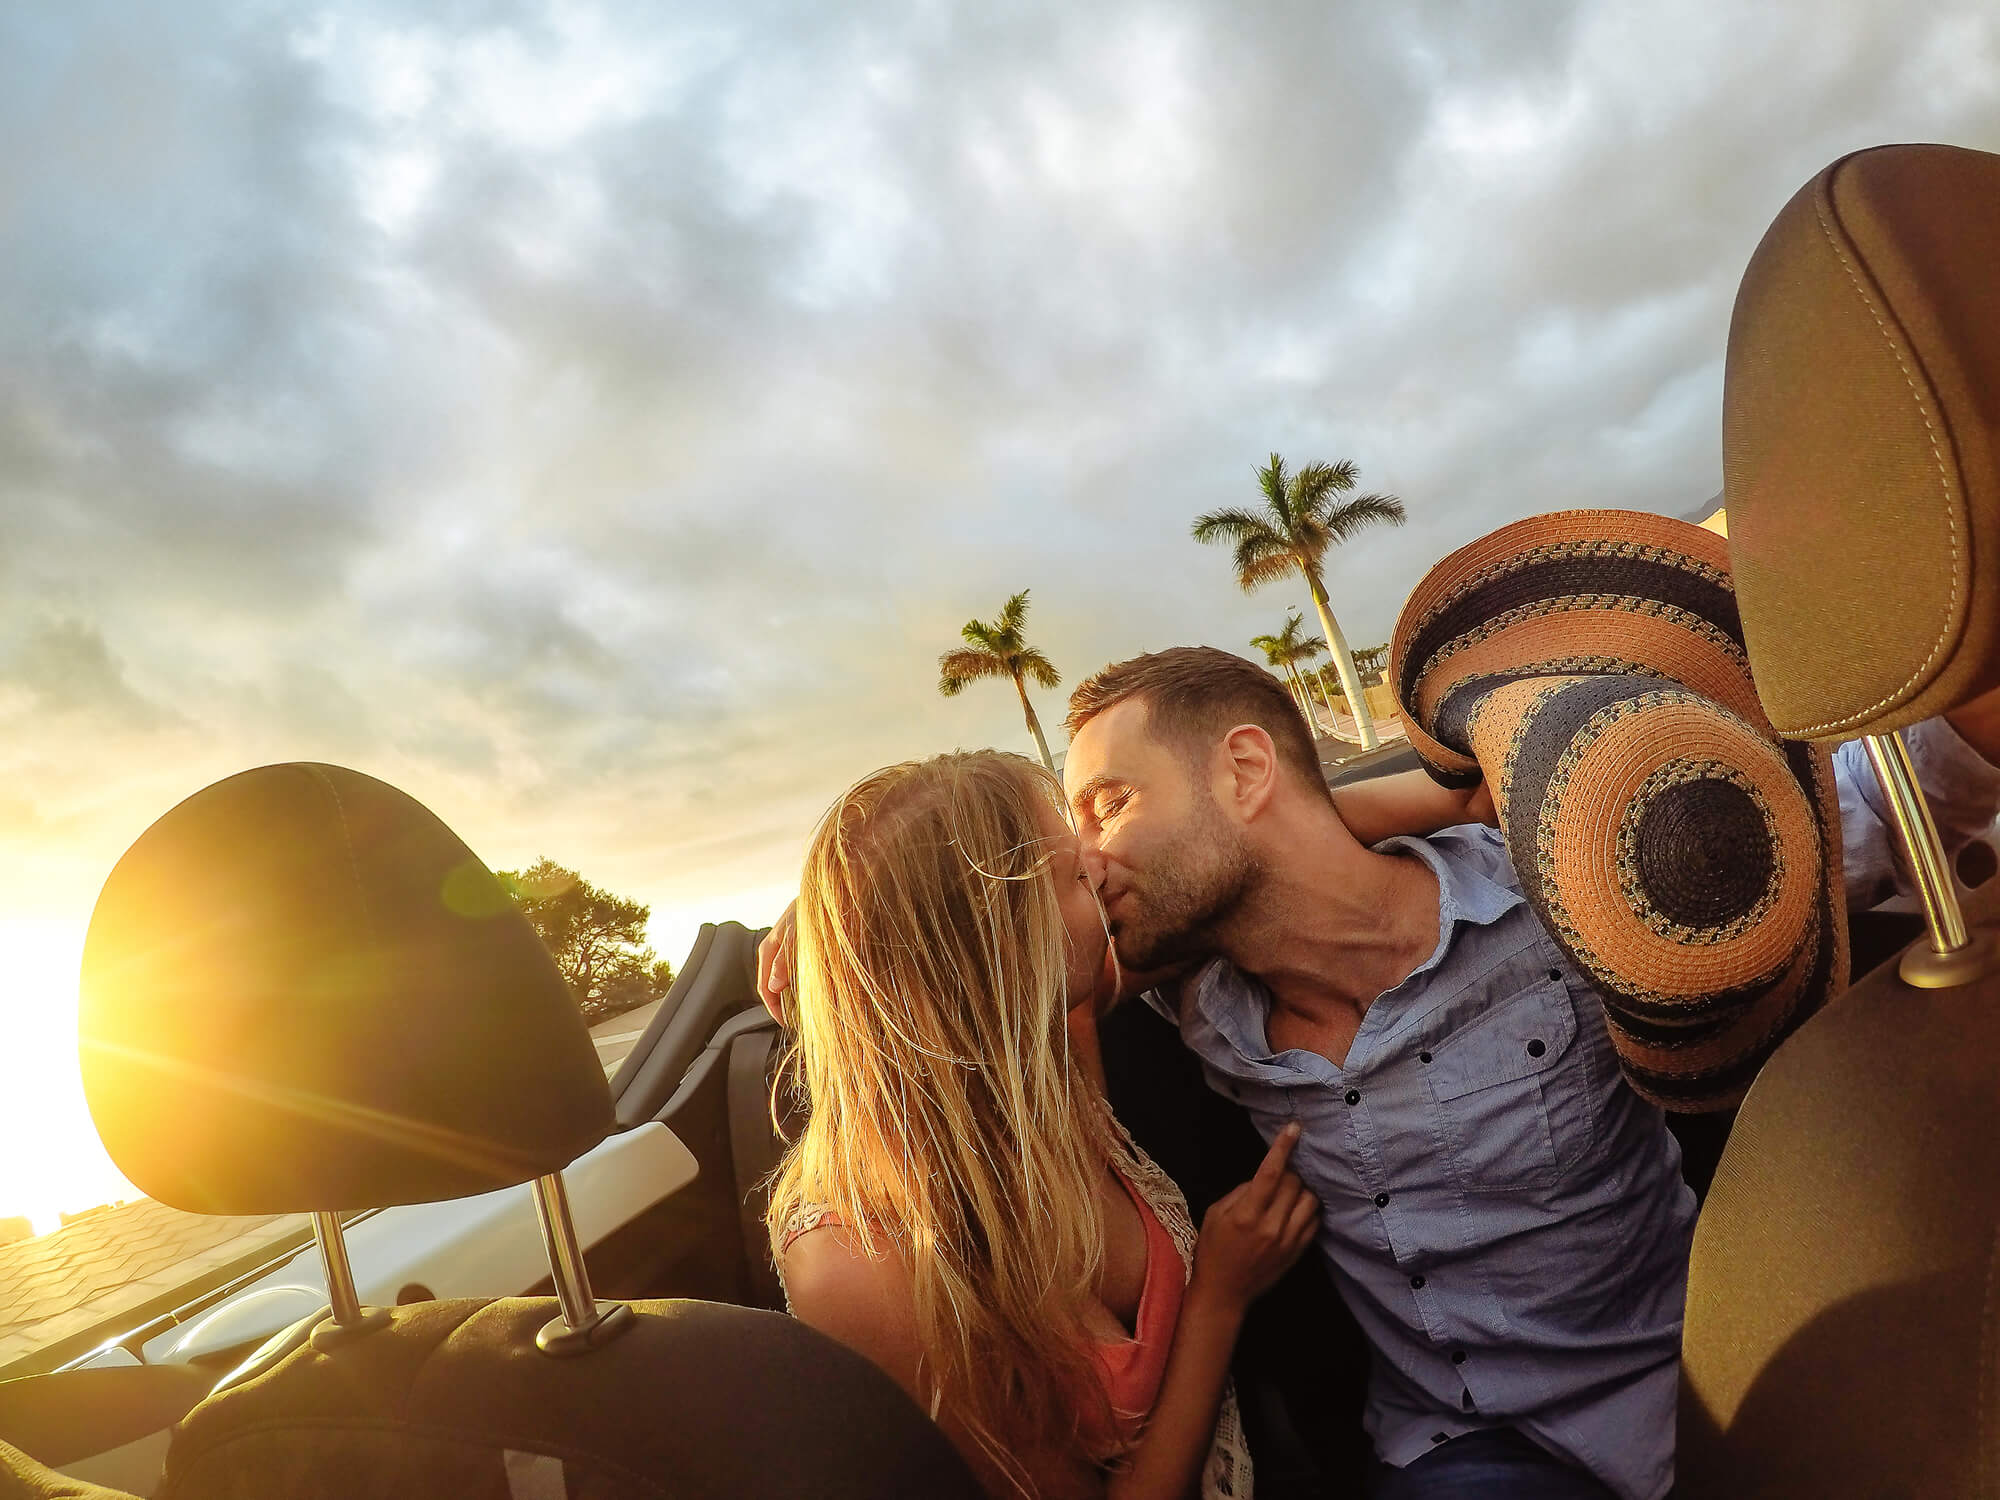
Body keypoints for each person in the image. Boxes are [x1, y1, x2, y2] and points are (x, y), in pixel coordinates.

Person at [1057, 644, 2000, 1500]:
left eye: (1111, 804)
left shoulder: (1549, 885)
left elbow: (1843, 828)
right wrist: (1413, 798)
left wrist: (1965, 669)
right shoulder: (1196, 1014)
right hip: (1454, 1448)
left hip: (1682, 1384)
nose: (1087, 860)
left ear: (1246, 769)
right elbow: (1014, 974)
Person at [763, 750, 1323, 1500]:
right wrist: (1220, 1295)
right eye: (1073, 877)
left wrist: (1464, 800)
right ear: (1001, 943)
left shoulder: (1055, 1047)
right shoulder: (863, 1260)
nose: (1102, 870)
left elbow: (1250, 851)